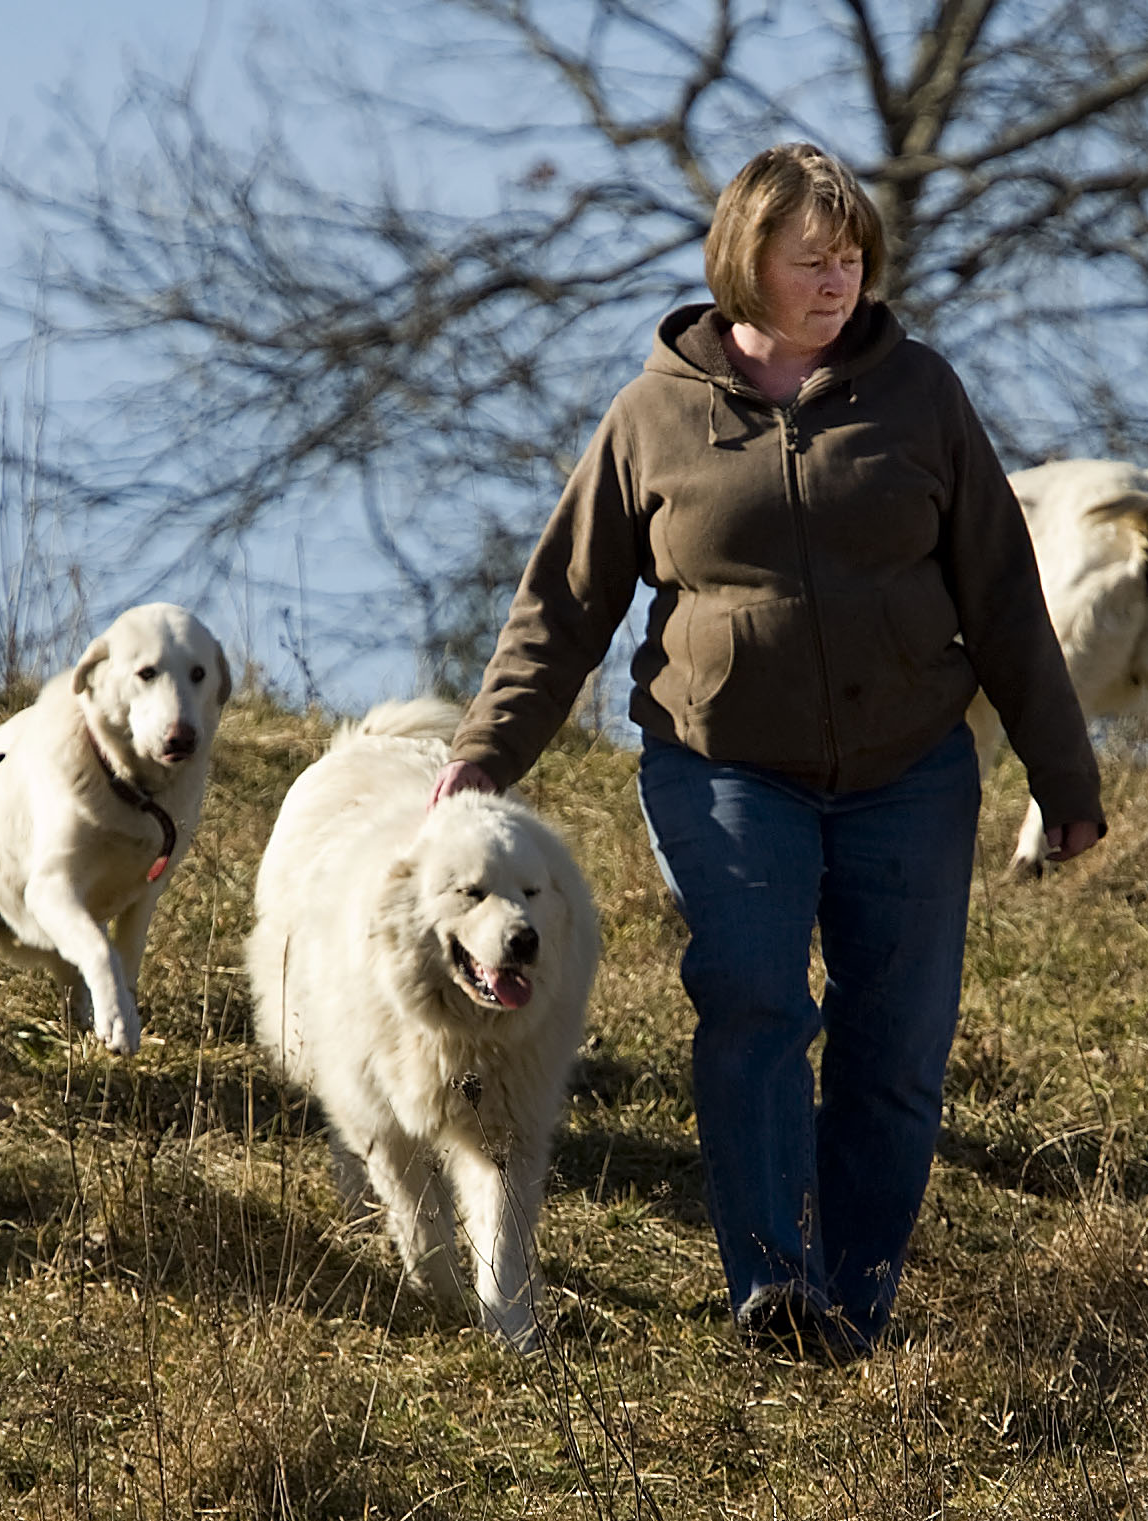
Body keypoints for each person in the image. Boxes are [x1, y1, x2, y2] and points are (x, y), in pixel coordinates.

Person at [431, 142, 1104, 1363]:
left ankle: (848, 1314)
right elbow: (562, 607)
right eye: (811, 261)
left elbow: (1005, 600)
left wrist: (1066, 781)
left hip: (910, 772)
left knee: (893, 1053)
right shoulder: (653, 417)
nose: (837, 281)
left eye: (851, 259)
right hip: (722, 765)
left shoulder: (921, 398)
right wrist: (485, 753)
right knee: (751, 1002)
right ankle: (771, 1285)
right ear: (748, 262)